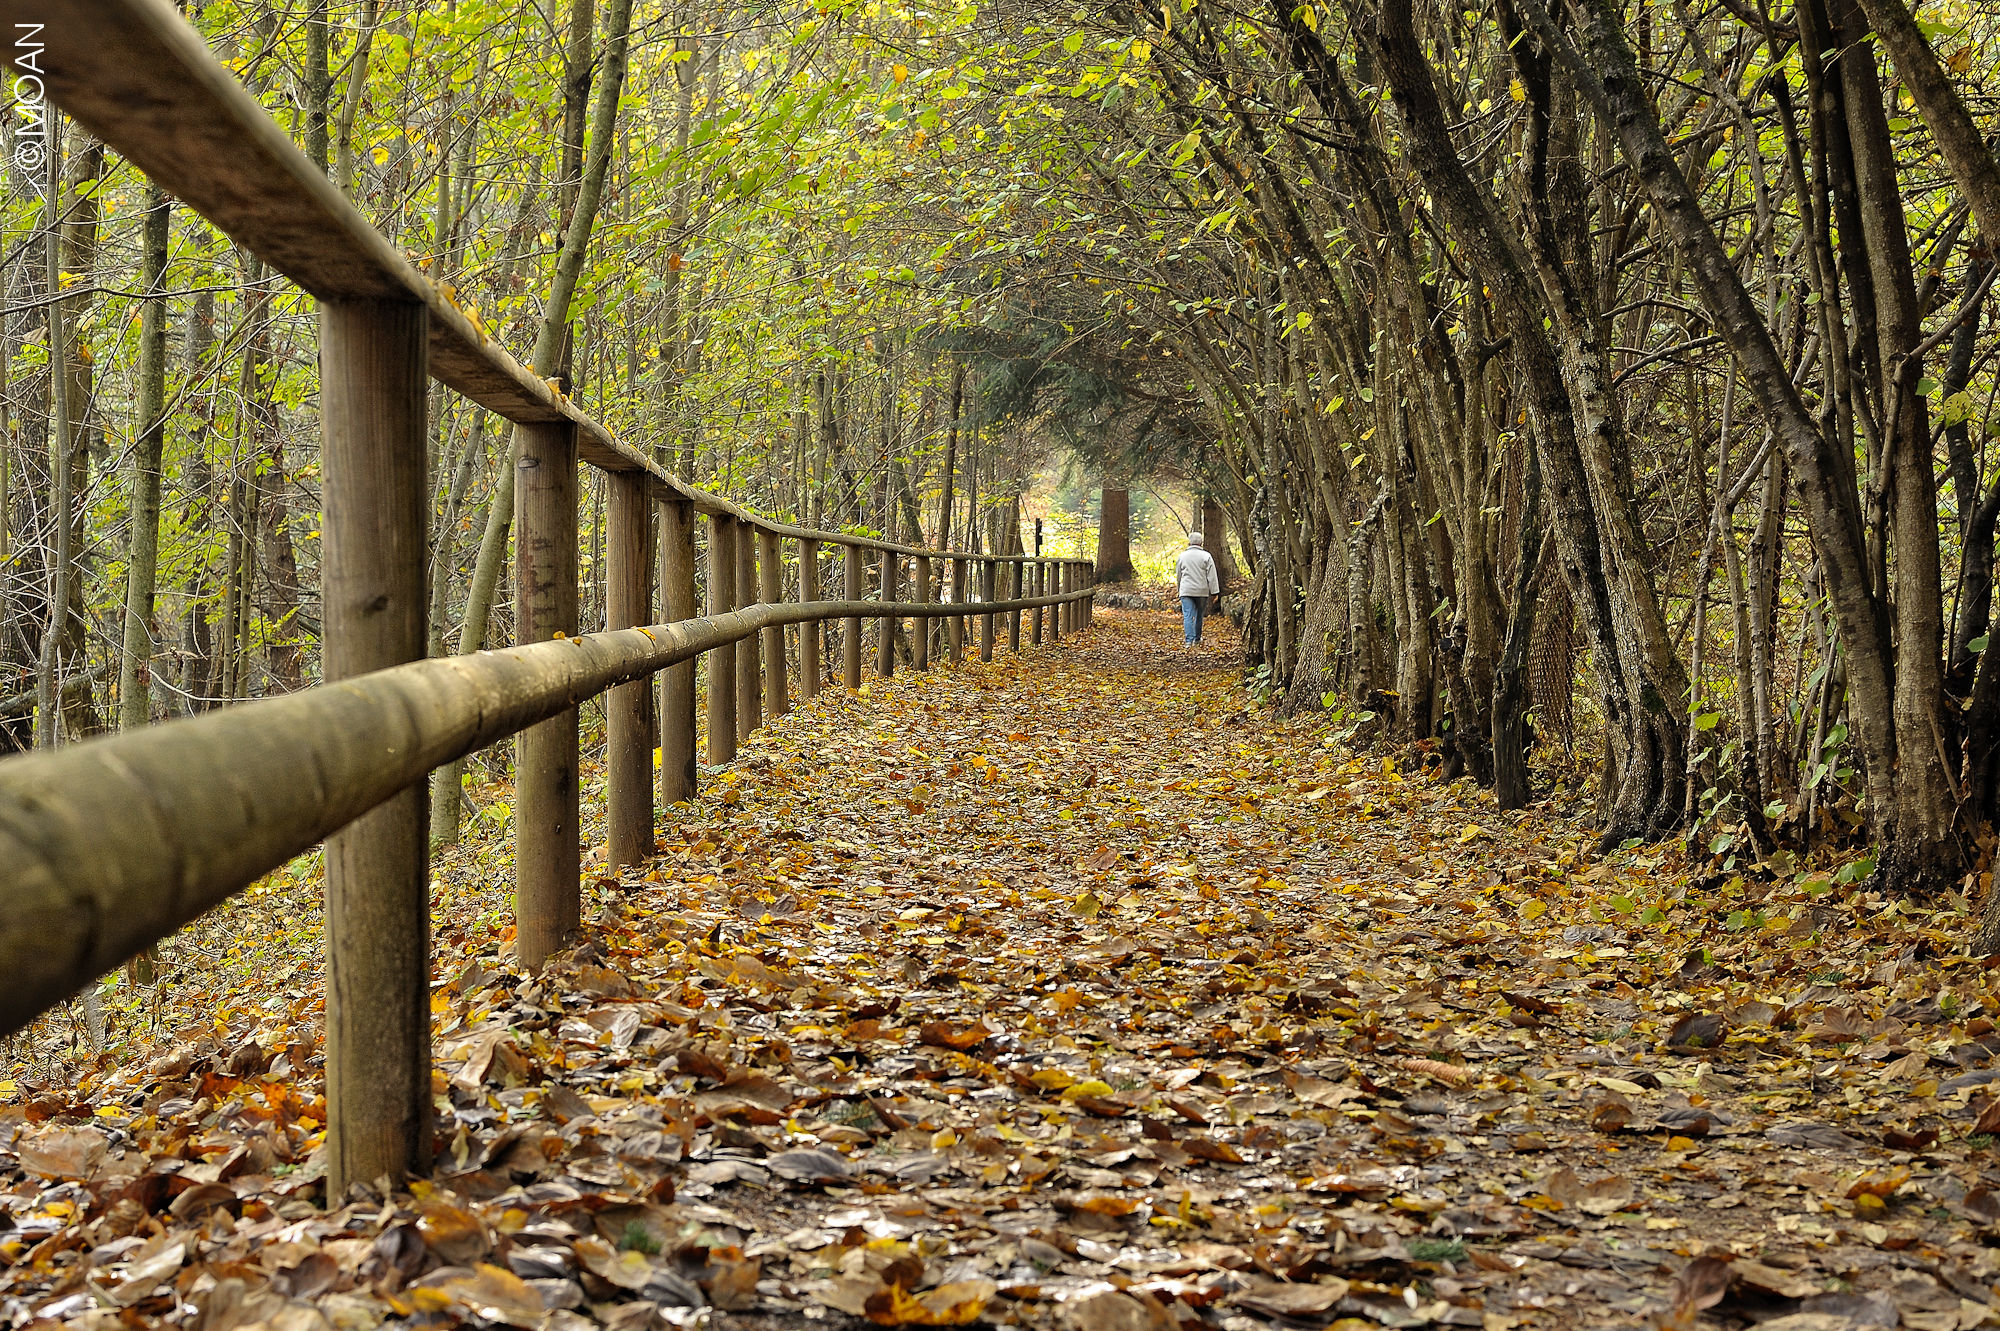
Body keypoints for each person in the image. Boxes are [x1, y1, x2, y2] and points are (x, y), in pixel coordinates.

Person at [1176, 531, 1221, 646]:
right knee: (1199, 615)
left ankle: (1188, 640)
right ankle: (1197, 638)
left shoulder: (1182, 556)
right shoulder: (1206, 556)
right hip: (1201, 590)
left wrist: (1179, 589)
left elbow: (1179, 575)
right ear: (1201, 543)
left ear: (1189, 542)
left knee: (1187, 615)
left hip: (1186, 590)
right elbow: (1212, 575)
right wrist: (1215, 591)